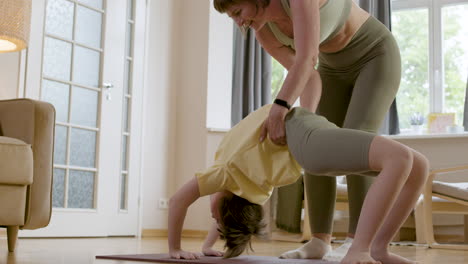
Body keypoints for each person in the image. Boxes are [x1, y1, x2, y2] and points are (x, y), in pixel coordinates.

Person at [213, 0, 402, 259]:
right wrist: (310, 126)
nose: (238, 22)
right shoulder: (264, 33)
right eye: (231, 17)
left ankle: (358, 241)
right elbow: (309, 74)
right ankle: (319, 240)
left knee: (359, 138)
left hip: (374, 56)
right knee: (314, 149)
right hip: (331, 70)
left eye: (237, 12)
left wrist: (280, 107)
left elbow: (306, 58)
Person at [168, 104, 428, 264]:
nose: (212, 215)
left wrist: (207, 246)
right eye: (216, 216)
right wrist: (175, 248)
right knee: (400, 157)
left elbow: (221, 213)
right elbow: (178, 201)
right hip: (304, 136)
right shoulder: (227, 175)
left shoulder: (249, 191)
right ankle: (361, 249)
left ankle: (380, 249)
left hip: (307, 133)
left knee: (419, 167)